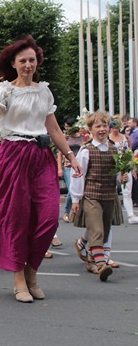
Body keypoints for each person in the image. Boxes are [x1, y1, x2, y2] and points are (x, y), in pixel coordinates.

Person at [0, 35, 83, 303]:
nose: (27, 65)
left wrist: (71, 156)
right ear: (13, 63)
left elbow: (54, 128)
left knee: (48, 218)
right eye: (22, 60)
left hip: (42, 155)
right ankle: (19, 278)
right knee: (17, 217)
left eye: (31, 60)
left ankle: (32, 271)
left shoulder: (43, 91)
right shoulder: (4, 91)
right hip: (13, 154)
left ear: (37, 62)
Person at [68, 112, 126, 282]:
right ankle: (101, 264)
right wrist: (76, 199)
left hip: (109, 194)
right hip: (92, 195)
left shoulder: (115, 149)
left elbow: (116, 174)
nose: (102, 129)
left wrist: (122, 177)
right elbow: (78, 174)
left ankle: (89, 255)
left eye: (104, 126)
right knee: (97, 229)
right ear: (90, 130)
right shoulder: (86, 151)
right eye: (97, 126)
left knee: (105, 229)